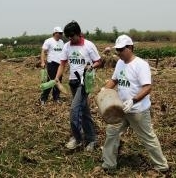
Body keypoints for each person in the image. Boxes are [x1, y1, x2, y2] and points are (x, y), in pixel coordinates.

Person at [101, 35, 169, 173]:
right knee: (111, 134)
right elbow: (114, 80)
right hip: (120, 108)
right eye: (117, 50)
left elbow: (147, 87)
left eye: (121, 49)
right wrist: (104, 91)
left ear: (130, 48)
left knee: (148, 138)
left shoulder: (140, 65)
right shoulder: (120, 63)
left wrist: (133, 100)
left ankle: (162, 167)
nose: (118, 52)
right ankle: (109, 165)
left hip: (138, 110)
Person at [55, 21, 102, 151]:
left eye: (72, 36)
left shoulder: (88, 45)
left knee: (74, 111)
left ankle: (77, 138)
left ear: (78, 34)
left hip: (84, 82)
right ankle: (92, 139)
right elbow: (63, 64)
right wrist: (58, 77)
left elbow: (98, 61)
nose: (70, 39)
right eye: (68, 37)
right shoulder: (67, 46)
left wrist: (91, 66)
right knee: (85, 111)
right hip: (73, 82)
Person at [40, 26, 64, 105]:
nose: (61, 35)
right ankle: (43, 98)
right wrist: (43, 62)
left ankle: (56, 97)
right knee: (50, 81)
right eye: (60, 33)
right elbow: (43, 51)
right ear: (55, 33)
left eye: (61, 33)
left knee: (58, 81)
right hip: (52, 64)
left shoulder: (61, 42)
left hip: (59, 65)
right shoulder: (49, 41)